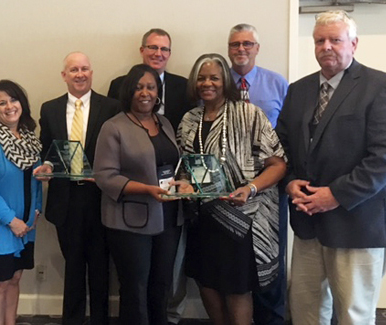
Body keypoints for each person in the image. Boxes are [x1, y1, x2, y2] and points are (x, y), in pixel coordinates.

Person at [276, 10, 386, 324]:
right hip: (308, 223)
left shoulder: (378, 86)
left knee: (353, 314)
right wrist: (290, 181)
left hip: (356, 223)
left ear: (353, 43)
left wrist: (335, 195)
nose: (326, 46)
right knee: (306, 310)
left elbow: (382, 159)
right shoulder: (299, 89)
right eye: (319, 40)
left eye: (335, 40)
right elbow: (281, 146)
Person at [177, 54, 285, 325]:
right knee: (207, 284)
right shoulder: (189, 120)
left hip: (242, 218)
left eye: (214, 77)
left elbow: (278, 165)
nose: (207, 83)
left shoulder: (249, 114)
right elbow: (185, 167)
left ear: (226, 80)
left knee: (237, 288)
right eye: (201, 78)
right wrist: (186, 183)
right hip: (203, 219)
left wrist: (250, 188)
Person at [34, 52, 120, 325]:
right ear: (64, 75)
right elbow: (48, 147)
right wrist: (47, 166)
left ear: (91, 73)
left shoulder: (111, 107)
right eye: (74, 70)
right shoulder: (50, 109)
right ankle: (71, 320)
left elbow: (119, 150)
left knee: (99, 267)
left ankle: (99, 321)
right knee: (73, 265)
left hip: (100, 197)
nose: (80, 74)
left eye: (84, 69)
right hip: (65, 199)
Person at [94, 64, 182, 325]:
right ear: (129, 91)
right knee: (135, 289)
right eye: (139, 87)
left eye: (151, 87)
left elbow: (173, 164)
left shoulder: (164, 123)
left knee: (161, 285)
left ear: (158, 93)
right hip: (130, 221)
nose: (145, 92)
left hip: (167, 217)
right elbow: (105, 176)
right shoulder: (114, 127)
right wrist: (147, 189)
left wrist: (183, 183)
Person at [227, 23, 289, 325]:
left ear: (257, 48)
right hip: (227, 191)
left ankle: (272, 320)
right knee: (237, 265)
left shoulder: (278, 84)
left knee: (271, 260)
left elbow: (288, 137)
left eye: (247, 44)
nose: (241, 49)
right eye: (235, 44)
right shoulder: (215, 82)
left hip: (268, 187)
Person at [0, 79, 42, 325]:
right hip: (0, 226)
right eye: (2, 103)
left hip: (26, 226)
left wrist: (35, 212)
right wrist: (11, 221)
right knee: (0, 283)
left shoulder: (30, 139)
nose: (10, 106)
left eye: (13, 100)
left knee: (15, 279)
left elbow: (36, 179)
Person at [108, 28, 190, 131]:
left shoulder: (184, 87)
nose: (158, 54)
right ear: (142, 50)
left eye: (164, 49)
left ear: (169, 54)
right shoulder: (119, 85)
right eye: (153, 47)